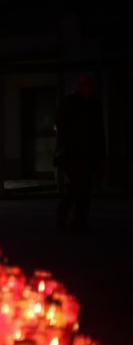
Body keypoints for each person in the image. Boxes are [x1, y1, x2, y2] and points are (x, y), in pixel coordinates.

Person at [54, 74, 105, 233]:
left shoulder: (93, 104)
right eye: (86, 85)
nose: (89, 89)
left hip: (85, 153)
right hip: (74, 153)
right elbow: (61, 128)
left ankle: (77, 222)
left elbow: (99, 133)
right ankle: (68, 218)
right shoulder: (73, 103)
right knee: (78, 188)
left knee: (83, 190)